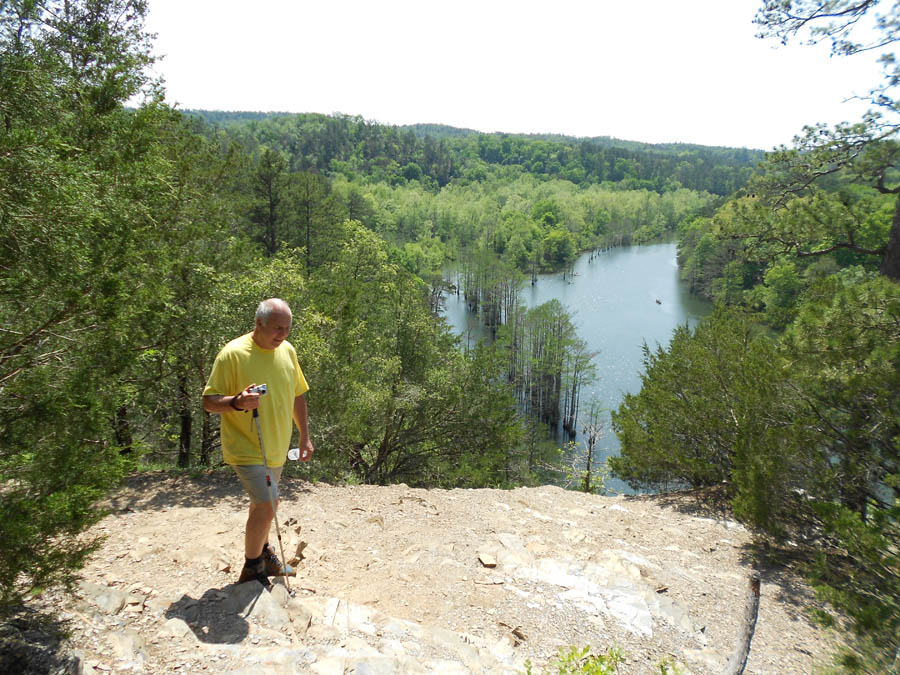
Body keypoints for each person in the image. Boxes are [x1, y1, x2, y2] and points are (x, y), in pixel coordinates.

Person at [202, 298, 314, 587]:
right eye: (277, 328)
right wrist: (236, 402)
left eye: (287, 328)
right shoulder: (233, 354)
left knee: (260, 506)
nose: (282, 334)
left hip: (275, 448)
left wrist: (304, 436)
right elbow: (209, 401)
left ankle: (264, 554)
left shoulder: (287, 351)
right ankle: (252, 569)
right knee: (268, 504)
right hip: (246, 447)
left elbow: (297, 394)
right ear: (259, 323)